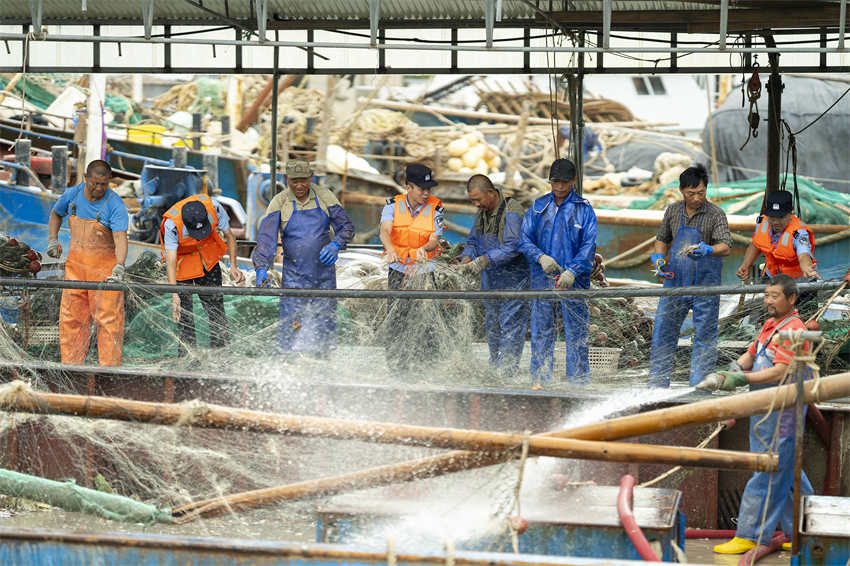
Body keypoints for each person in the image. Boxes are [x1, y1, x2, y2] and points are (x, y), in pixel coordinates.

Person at [695, 274, 814, 556]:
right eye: (766, 295)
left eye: (775, 296)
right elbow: (747, 359)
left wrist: (740, 381)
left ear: (792, 299)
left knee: (767, 470)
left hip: (784, 412)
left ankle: (750, 535)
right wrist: (726, 377)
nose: (768, 300)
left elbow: (779, 371)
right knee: (789, 472)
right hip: (765, 408)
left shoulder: (794, 330)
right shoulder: (770, 326)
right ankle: (801, 531)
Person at [252, 159, 355, 355]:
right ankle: (288, 362)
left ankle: (323, 362)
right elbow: (267, 239)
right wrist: (261, 268)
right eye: (294, 181)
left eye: (303, 180)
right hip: (294, 277)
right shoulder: (279, 202)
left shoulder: (325, 197)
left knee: (324, 323)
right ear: (286, 179)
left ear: (311, 177)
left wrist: (336, 244)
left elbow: (347, 227)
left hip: (323, 276)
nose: (299, 185)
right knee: (292, 324)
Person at [648, 164, 733, 387]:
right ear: (681, 191)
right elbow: (661, 239)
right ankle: (656, 385)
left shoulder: (716, 214)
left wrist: (708, 250)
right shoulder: (673, 211)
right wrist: (659, 258)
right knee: (663, 332)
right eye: (691, 193)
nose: (696, 198)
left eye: (701, 193)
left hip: (705, 284)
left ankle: (699, 388)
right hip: (675, 282)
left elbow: (725, 246)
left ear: (706, 189)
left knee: (704, 337)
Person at [519, 158, 597, 388]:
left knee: (577, 332)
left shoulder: (584, 209)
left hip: (574, 282)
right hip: (542, 280)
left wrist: (573, 270)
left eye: (564, 182)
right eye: (555, 182)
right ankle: (540, 379)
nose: (560, 187)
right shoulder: (538, 207)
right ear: (550, 181)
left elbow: (589, 245)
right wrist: (540, 257)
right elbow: (524, 240)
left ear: (573, 181)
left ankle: (578, 381)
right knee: (541, 330)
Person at [45, 160, 127, 366]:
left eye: (104, 185)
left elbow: (120, 238)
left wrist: (120, 265)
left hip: (105, 273)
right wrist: (53, 240)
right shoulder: (72, 195)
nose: (99, 188)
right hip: (75, 269)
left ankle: (109, 371)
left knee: (108, 321)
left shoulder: (115, 205)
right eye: (95, 183)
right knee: (72, 319)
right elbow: (56, 213)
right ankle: (71, 367)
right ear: (85, 178)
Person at [460, 174, 529, 378]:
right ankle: (494, 369)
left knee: (511, 325)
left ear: (491, 193)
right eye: (472, 200)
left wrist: (483, 260)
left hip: (513, 279)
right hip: (490, 279)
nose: (476, 204)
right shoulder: (482, 213)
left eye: (478, 199)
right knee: (492, 324)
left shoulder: (512, 211)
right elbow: (473, 241)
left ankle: (507, 373)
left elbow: (512, 246)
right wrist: (466, 257)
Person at [160, 193, 245, 357]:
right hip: (182, 264)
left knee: (216, 310)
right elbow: (170, 261)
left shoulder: (215, 208)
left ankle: (221, 353)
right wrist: (174, 293)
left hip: (208, 258)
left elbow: (230, 236)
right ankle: (187, 357)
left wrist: (233, 265)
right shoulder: (172, 224)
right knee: (184, 315)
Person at [379, 163, 445, 371]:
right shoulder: (392, 205)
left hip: (425, 272)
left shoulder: (436, 208)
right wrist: (390, 249)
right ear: (409, 187)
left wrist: (425, 248)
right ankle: (396, 365)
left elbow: (435, 238)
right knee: (397, 318)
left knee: (426, 319)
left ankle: (425, 365)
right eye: (421, 189)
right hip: (398, 271)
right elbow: (385, 231)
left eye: (429, 189)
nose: (426, 194)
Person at [736, 190, 819, 317]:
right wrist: (746, 265)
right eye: (772, 217)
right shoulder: (763, 223)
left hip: (800, 285)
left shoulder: (799, 232)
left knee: (806, 323)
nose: (775, 222)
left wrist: (807, 268)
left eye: (780, 217)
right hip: (773, 281)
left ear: (791, 213)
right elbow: (756, 244)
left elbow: (803, 254)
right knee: (769, 321)